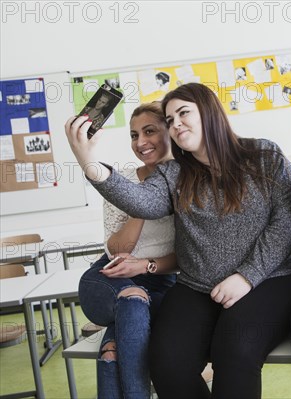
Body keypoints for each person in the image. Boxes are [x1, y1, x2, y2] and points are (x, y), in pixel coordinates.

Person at [65, 82, 291, 399]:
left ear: (209, 111)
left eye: (183, 113)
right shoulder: (173, 173)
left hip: (269, 280)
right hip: (197, 286)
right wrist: (89, 163)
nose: (176, 124)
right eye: (170, 119)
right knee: (166, 363)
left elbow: (285, 223)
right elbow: (140, 202)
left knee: (233, 354)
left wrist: (246, 277)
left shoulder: (263, 155)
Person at [78, 102, 178, 398]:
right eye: (134, 135)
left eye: (150, 131)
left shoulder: (190, 183)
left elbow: (188, 257)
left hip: (160, 281)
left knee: (112, 349)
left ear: (171, 132)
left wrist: (145, 265)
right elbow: (117, 249)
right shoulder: (121, 181)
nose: (141, 142)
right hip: (108, 276)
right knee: (132, 298)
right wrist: (143, 199)